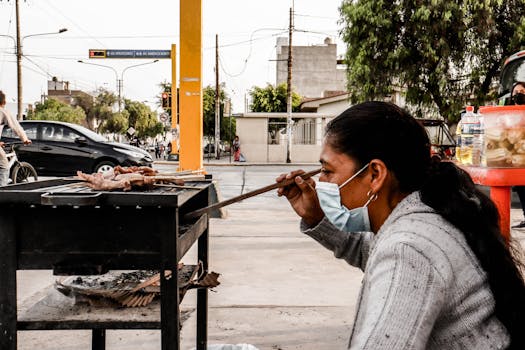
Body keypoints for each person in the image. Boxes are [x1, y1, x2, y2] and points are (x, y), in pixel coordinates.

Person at [276, 101, 525, 349]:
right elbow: (372, 250)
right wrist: (317, 217)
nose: (321, 181)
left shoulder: (409, 249)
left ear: (375, 174)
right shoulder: (423, 217)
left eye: (327, 171)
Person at [0, 90, 31, 186]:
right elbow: (16, 127)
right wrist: (24, 139)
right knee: (4, 166)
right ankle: (2, 193)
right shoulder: (3, 112)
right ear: (4, 102)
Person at [510, 81, 525, 229]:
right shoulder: (508, 113)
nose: (518, 95)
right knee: (521, 189)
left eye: (521, 92)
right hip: (516, 157)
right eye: (516, 93)